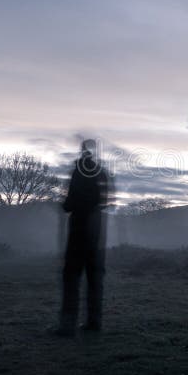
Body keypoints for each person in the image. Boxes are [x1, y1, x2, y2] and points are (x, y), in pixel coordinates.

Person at [56, 139, 110, 336]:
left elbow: (70, 203)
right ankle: (94, 323)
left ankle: (67, 326)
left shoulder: (79, 172)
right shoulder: (102, 173)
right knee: (95, 278)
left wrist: (62, 205)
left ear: (82, 152)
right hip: (98, 232)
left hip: (79, 230)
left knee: (71, 276)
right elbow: (104, 202)